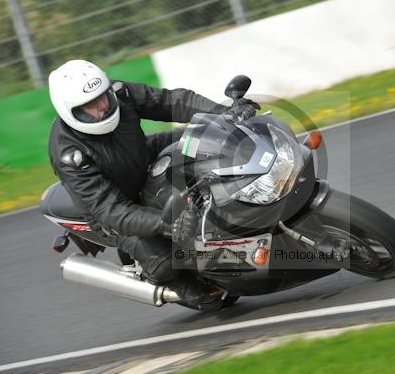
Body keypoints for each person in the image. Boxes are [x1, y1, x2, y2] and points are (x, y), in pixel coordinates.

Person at [47, 59, 258, 309]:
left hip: (142, 155)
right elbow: (110, 210)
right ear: (70, 111)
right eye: (91, 105)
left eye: (103, 96)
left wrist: (222, 114)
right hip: (115, 209)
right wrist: (166, 223)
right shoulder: (69, 154)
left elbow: (169, 101)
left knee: (211, 135)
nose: (103, 105)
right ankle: (174, 283)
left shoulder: (119, 93)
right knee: (165, 262)